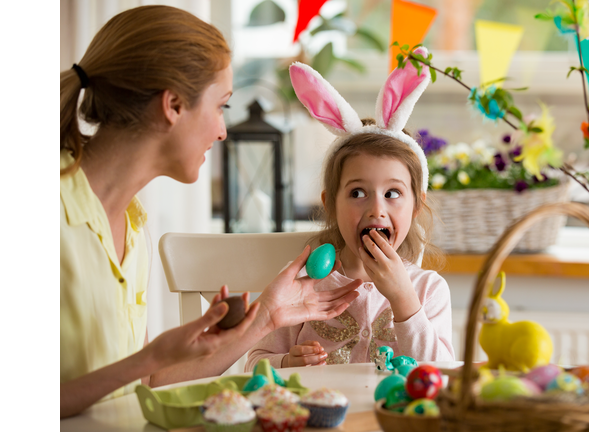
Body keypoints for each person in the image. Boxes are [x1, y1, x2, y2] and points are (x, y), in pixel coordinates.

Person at [60, 5, 362, 418]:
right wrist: (149, 357)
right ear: (173, 105)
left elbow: (144, 385)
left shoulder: (132, 223)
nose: (222, 130)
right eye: (221, 106)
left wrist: (266, 319)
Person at [245, 47, 455, 370]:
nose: (376, 209)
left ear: (416, 207)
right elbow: (255, 363)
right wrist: (286, 362)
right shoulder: (302, 285)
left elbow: (442, 375)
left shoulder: (428, 290)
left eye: (393, 193)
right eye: (358, 192)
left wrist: (403, 299)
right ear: (330, 203)